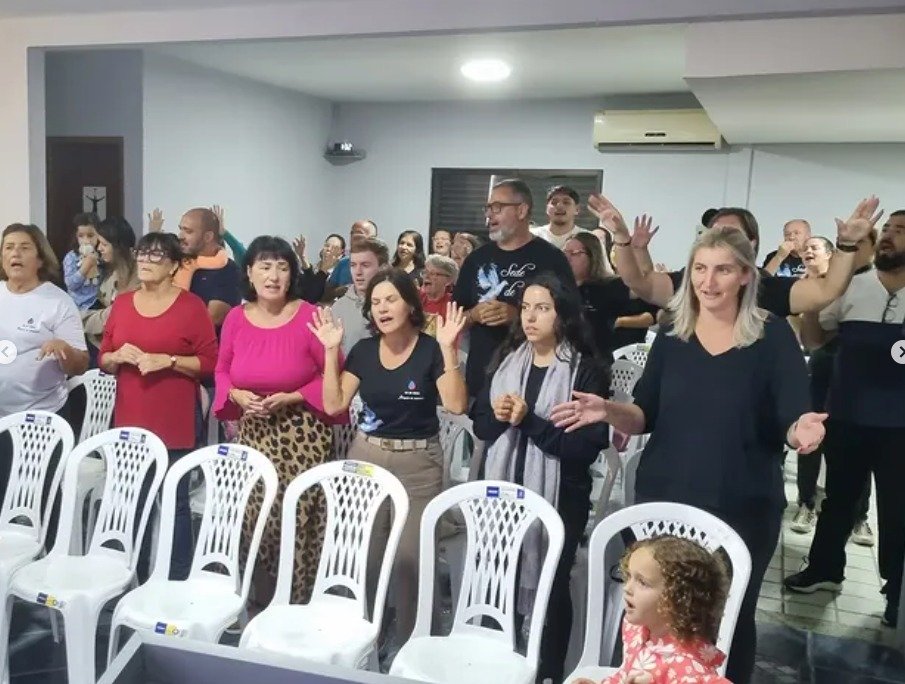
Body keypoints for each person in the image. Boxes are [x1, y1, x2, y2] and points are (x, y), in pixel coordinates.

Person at [550, 226, 828, 684]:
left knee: (727, 621)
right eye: (700, 268)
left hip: (742, 501)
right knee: (653, 614)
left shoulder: (772, 335)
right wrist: (609, 410)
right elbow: (644, 414)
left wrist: (803, 431)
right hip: (666, 497)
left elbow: (792, 417)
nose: (708, 281)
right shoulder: (673, 334)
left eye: (722, 270)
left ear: (746, 275)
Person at [312, 269, 467, 648]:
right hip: (367, 458)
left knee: (411, 562)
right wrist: (331, 351)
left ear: (410, 304)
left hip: (419, 464)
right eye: (376, 302)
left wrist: (449, 349)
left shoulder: (430, 349)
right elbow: (334, 404)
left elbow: (455, 404)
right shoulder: (364, 351)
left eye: (391, 300)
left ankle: (414, 645)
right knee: (366, 556)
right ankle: (368, 638)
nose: (382, 308)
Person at [471, 274, 608, 684]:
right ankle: (503, 664)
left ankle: (548, 672)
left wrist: (528, 420)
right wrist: (500, 417)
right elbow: (482, 428)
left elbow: (583, 449)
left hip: (561, 497)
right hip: (504, 495)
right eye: (526, 308)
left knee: (552, 586)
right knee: (501, 577)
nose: (530, 317)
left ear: (562, 315)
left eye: (543, 308)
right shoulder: (507, 361)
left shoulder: (585, 371)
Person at [784, 209, 905, 628]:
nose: (889, 236)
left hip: (900, 428)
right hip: (849, 416)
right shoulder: (854, 286)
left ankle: (896, 589)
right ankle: (824, 569)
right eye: (887, 229)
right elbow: (815, 340)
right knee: (838, 498)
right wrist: (812, 304)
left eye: (900, 230)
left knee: (898, 509)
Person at [214, 236, 343, 610]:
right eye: (265, 266)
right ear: (249, 272)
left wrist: (294, 396)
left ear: (292, 274)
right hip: (254, 435)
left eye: (282, 267)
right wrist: (236, 395)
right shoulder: (236, 318)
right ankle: (257, 604)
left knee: (295, 520)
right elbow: (222, 370)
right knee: (255, 520)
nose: (273, 276)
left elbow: (334, 374)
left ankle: (298, 606)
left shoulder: (310, 316)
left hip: (301, 435)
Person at [99, 232, 218, 580]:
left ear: (174, 266)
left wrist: (168, 360)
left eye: (156, 256)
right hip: (130, 419)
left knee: (174, 502)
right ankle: (130, 578)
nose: (145, 261)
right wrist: (116, 357)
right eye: (142, 253)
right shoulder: (123, 303)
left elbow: (210, 363)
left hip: (174, 421)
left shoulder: (191, 306)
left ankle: (175, 581)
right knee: (132, 501)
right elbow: (104, 357)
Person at [598, 194, 881, 318]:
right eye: (714, 232)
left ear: (751, 242)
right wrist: (622, 237)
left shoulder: (767, 289)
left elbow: (827, 290)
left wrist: (846, 244)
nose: (720, 239)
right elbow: (639, 282)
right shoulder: (689, 282)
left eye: (730, 233)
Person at [454, 178, 576, 399]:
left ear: (521, 210)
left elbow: (571, 317)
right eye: (488, 208)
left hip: (534, 382)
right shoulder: (476, 259)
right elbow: (453, 317)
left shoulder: (552, 259)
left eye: (497, 207)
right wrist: (474, 314)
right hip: (481, 380)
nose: (489, 215)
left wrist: (519, 316)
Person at [570, 536, 731, 684]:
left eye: (643, 582)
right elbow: (625, 674)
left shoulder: (687, 666)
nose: (627, 588)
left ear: (678, 599)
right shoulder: (637, 629)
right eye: (628, 576)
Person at [0, 223, 89, 419]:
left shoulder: (59, 302)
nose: (15, 253)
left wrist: (64, 350)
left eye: (24, 248)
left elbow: (81, 365)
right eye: (9, 247)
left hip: (40, 417)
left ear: (40, 259)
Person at [562, 231, 630, 361]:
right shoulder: (556, 288)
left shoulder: (610, 287)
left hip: (594, 361)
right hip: (560, 360)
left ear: (592, 256)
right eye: (564, 252)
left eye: (574, 253)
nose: (567, 257)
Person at [80, 217, 138, 352]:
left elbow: (114, 315)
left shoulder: (139, 276)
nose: (99, 248)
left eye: (104, 244)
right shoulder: (111, 272)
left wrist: (76, 319)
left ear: (118, 247)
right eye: (99, 243)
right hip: (103, 341)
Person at [331, 237, 389, 356]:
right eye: (353, 265)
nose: (358, 272)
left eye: (365, 265)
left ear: (383, 268)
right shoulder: (338, 308)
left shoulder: (395, 305)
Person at [62, 212, 101, 310]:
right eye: (81, 236)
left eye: (90, 235)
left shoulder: (101, 254)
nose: (86, 240)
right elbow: (70, 284)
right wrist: (85, 268)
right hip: (78, 306)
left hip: (98, 303)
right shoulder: (71, 257)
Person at [530, 185, 588, 249]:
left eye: (566, 202)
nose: (559, 206)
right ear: (547, 209)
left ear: (577, 209)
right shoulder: (532, 236)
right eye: (554, 202)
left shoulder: (587, 238)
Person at [327, 219, 379, 289]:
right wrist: (339, 292)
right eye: (352, 233)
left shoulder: (382, 267)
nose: (353, 237)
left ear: (373, 238)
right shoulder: (343, 263)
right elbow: (328, 291)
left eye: (359, 234)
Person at [420, 253, 458, 323]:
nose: (426, 276)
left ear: (448, 280)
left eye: (433, 273)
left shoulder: (453, 304)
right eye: (425, 272)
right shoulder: (415, 299)